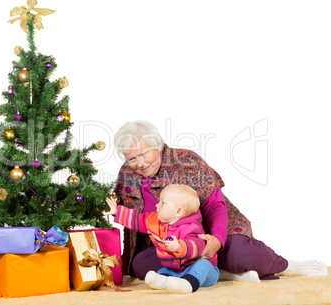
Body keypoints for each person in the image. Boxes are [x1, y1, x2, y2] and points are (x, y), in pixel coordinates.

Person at [112, 120, 328, 282]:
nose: (139, 163)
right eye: (131, 158)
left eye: (144, 154)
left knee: (239, 253)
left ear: (157, 146)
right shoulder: (127, 174)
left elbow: (215, 205)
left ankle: (286, 265)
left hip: (207, 233)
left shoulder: (186, 162)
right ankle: (222, 275)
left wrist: (216, 239)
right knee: (141, 265)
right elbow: (131, 220)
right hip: (173, 244)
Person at [106, 184, 219, 293]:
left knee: (203, 265)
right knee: (163, 270)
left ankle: (188, 284)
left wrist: (180, 247)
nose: (157, 205)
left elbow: (197, 245)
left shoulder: (191, 227)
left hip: (200, 270)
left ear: (178, 211)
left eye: (162, 203)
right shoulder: (155, 221)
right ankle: (163, 281)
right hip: (176, 270)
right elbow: (138, 219)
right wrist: (117, 212)